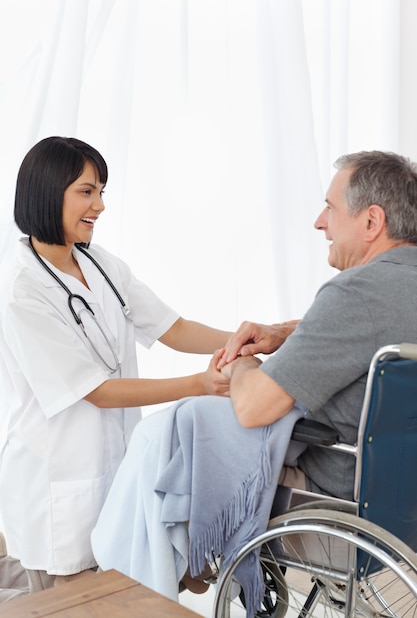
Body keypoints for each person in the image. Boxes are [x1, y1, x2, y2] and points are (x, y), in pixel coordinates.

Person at [90, 150, 417, 612]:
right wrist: (284, 332)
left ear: (371, 221)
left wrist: (242, 363)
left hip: (338, 505)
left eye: (330, 207)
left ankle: (141, 587)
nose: (320, 222)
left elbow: (253, 407)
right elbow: (367, 328)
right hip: (404, 506)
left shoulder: (355, 293)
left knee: (172, 435)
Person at [0, 136, 233, 596]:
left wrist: (246, 338)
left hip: (114, 471)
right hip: (56, 483)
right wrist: (201, 384)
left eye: (102, 191)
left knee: (115, 592)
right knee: (66, 601)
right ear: (49, 192)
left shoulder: (101, 264)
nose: (100, 205)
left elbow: (174, 326)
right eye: (87, 191)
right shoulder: (22, 289)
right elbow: (96, 390)